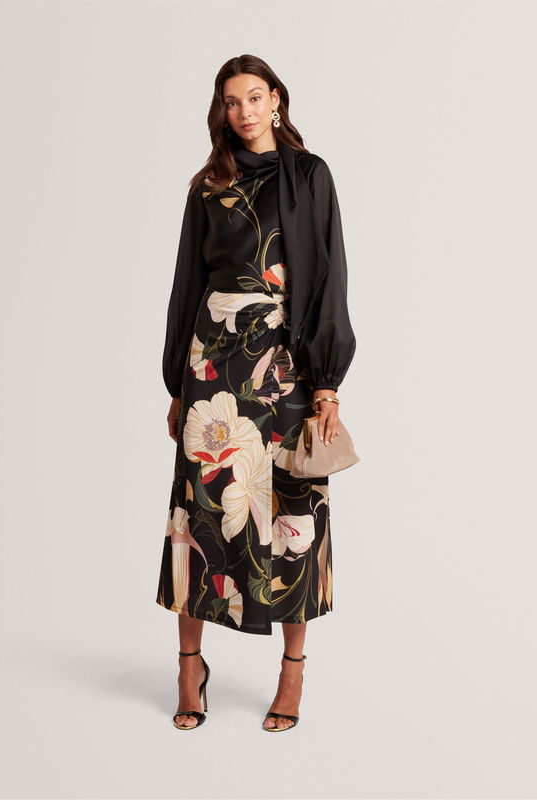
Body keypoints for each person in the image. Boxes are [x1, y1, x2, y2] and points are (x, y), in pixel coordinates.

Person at [155, 54, 356, 731]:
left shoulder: (309, 175)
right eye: (230, 101)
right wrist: (177, 385)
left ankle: (292, 673)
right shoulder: (208, 186)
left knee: (293, 518)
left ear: (276, 100)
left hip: (288, 370)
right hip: (212, 369)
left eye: (253, 97)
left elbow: (327, 277)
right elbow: (187, 286)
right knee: (200, 514)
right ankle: (189, 667)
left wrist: (327, 383)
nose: (242, 111)